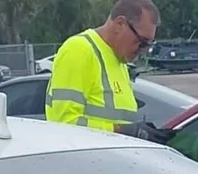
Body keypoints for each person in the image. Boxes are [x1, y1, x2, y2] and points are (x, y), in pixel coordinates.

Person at [46, 0, 160, 134]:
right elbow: (63, 124)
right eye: (142, 42)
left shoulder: (119, 59)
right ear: (120, 24)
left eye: (149, 44)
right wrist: (121, 131)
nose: (144, 50)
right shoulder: (79, 50)